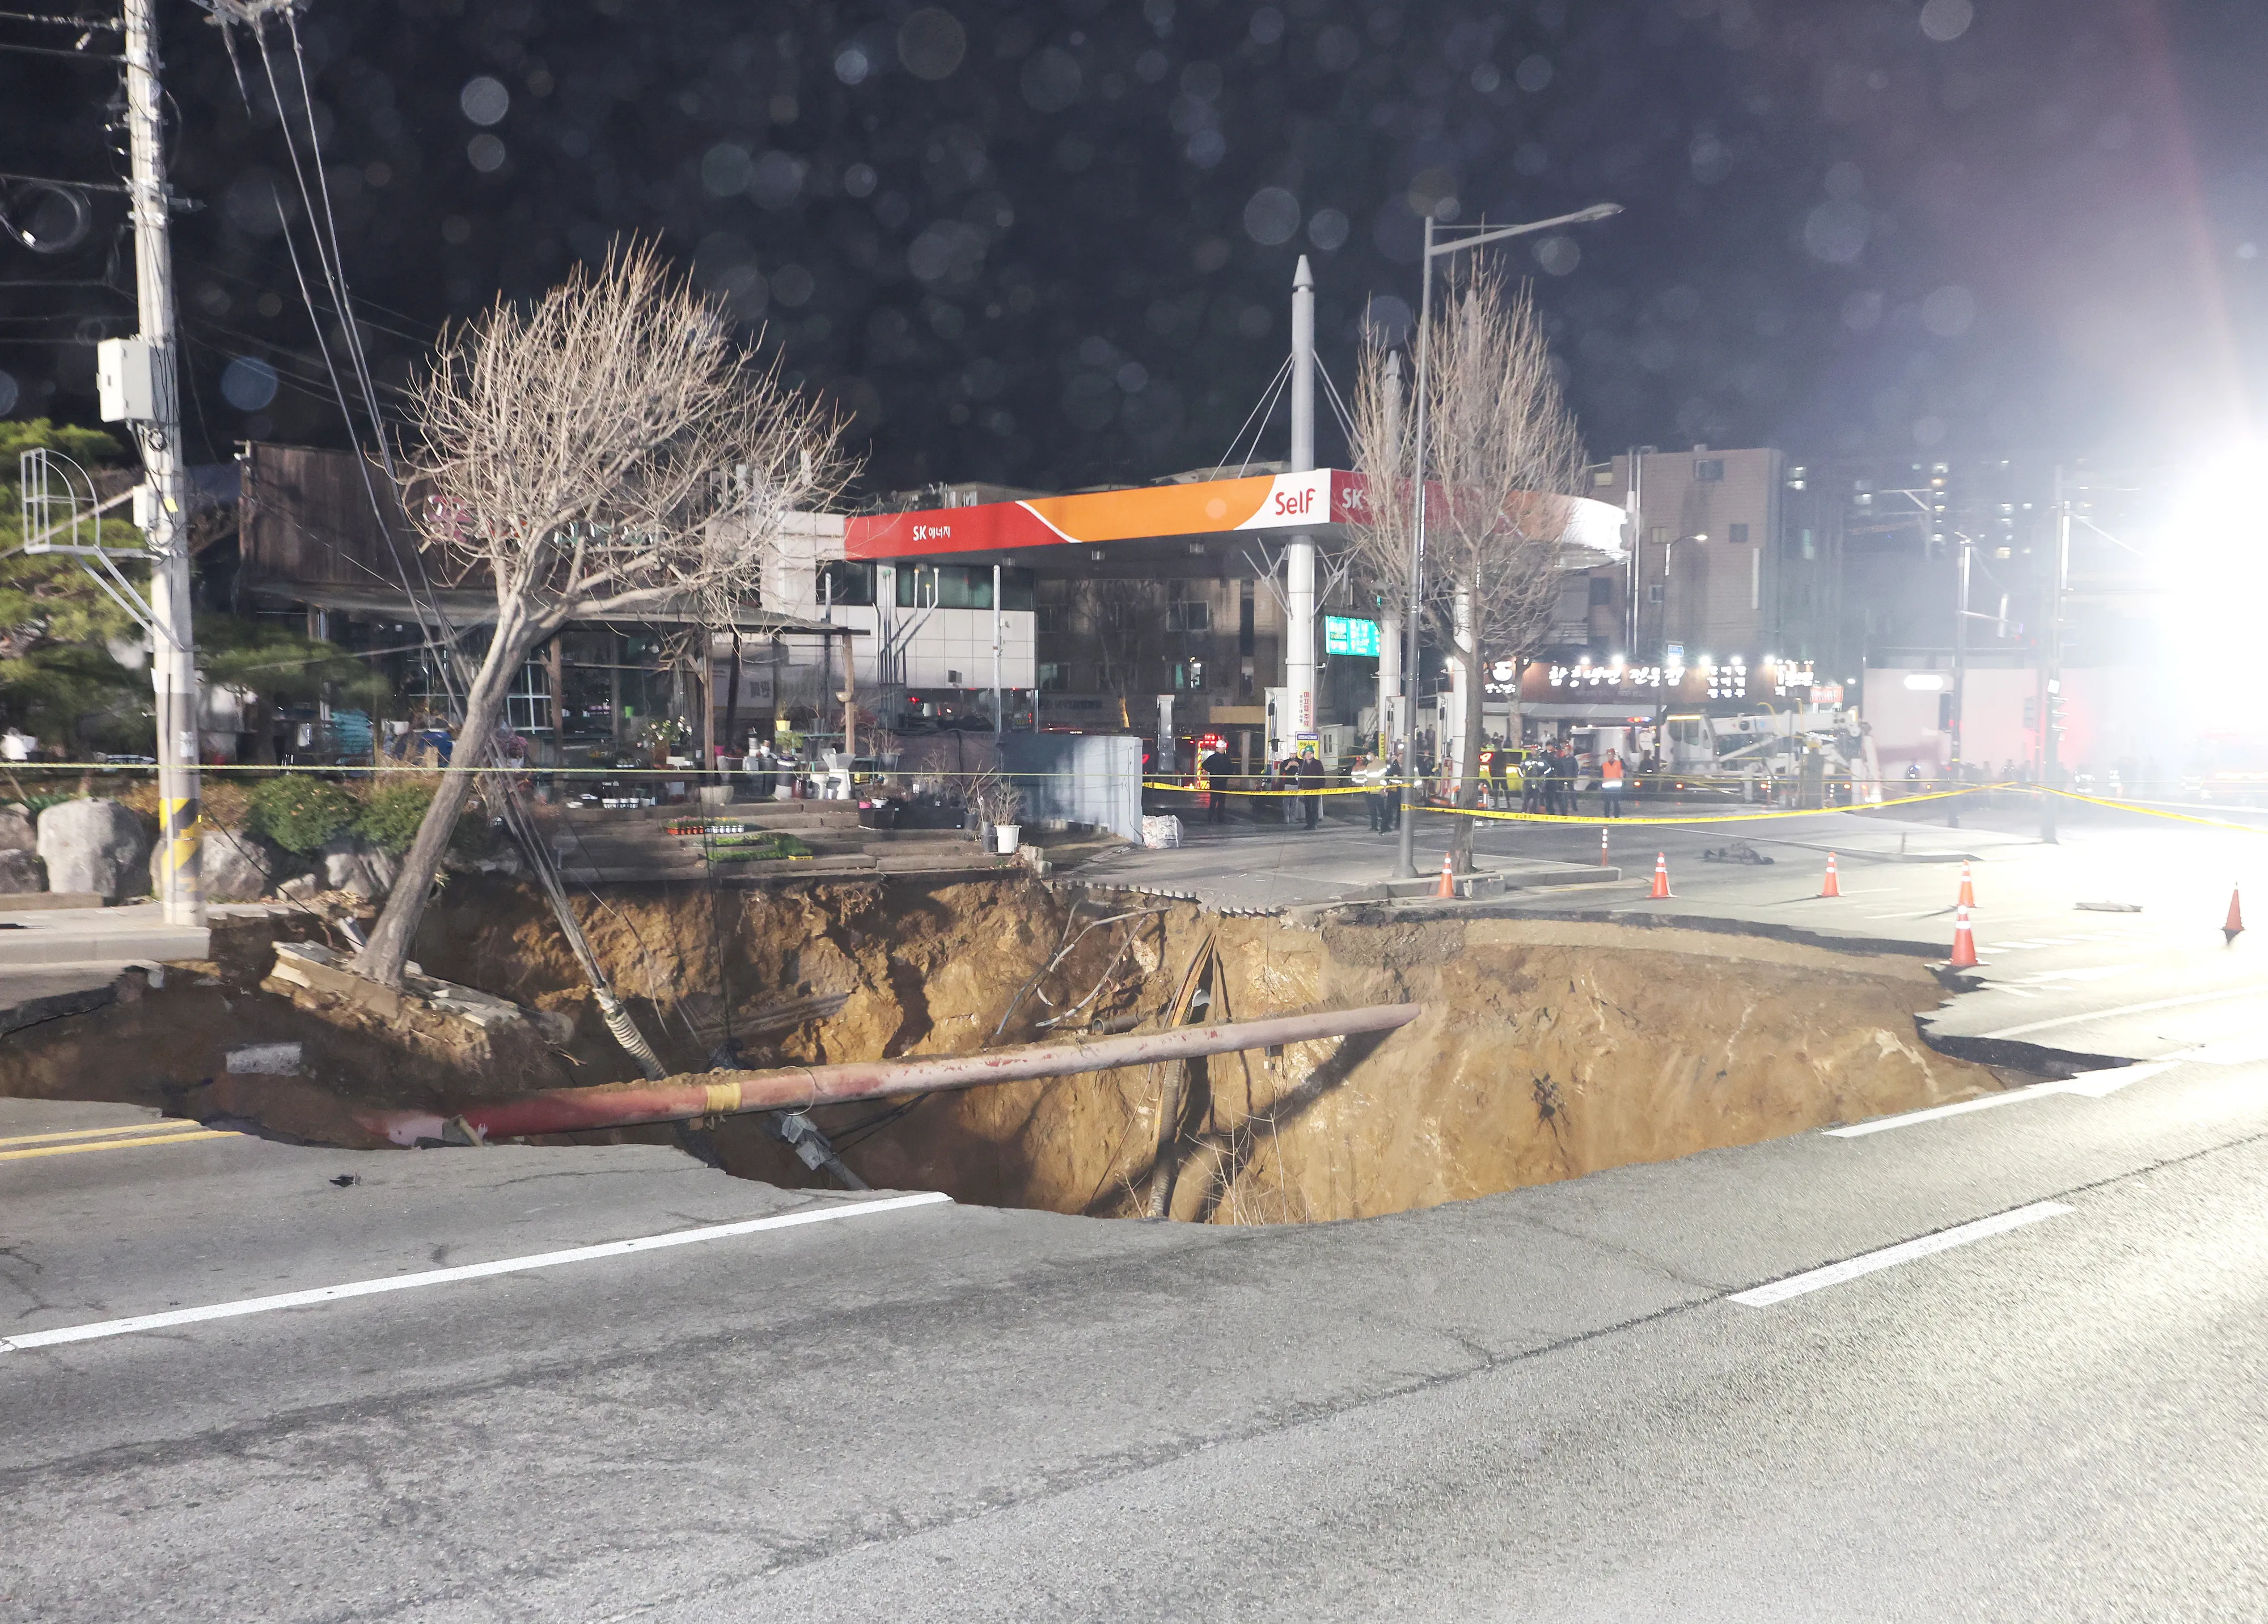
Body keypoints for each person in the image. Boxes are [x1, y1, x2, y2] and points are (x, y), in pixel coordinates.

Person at [1201, 742, 1232, 824]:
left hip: (1223, 782)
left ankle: (1220, 818)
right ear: (1217, 748)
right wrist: (1213, 771)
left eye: (1223, 748)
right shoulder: (1213, 758)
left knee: (1222, 801)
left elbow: (1231, 769)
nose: (1223, 749)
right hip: (1215, 782)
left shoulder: (1227, 758)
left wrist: (1226, 776)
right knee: (1214, 800)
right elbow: (1204, 765)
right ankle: (1211, 817)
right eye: (1221, 748)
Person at [1299, 750, 1324, 829]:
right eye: (1307, 754)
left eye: (1310, 754)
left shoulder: (1318, 763)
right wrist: (1300, 786)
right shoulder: (1303, 764)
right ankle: (1309, 823)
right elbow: (1300, 776)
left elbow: (1322, 775)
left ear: (1313, 754)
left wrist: (1322, 786)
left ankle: (1314, 824)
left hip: (1316, 788)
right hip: (1306, 789)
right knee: (1307, 807)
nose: (1308, 755)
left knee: (1315, 807)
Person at [1600, 750, 1626, 817]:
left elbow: (1625, 768)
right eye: (1608, 754)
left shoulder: (1619, 763)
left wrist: (1620, 758)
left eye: (1611, 754)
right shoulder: (1604, 765)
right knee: (1607, 803)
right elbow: (1601, 775)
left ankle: (1616, 815)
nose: (1609, 756)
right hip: (1607, 786)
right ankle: (1607, 815)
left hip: (1616, 786)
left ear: (1614, 755)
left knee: (1616, 802)